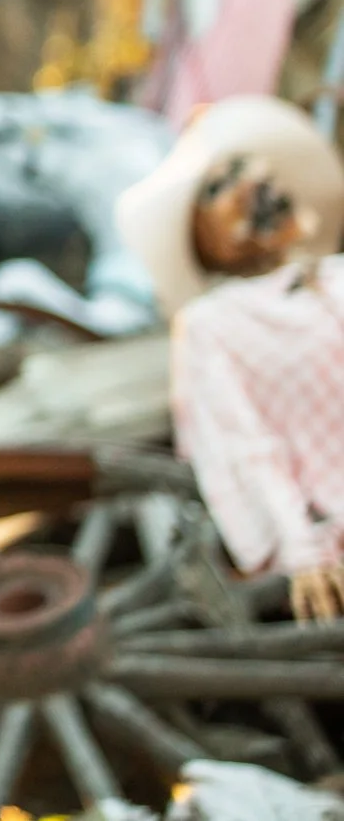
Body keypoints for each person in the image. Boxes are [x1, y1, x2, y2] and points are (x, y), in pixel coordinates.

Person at [119, 96, 344, 624]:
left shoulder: (335, 277)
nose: (248, 185)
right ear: (201, 242)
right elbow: (242, 444)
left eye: (243, 167)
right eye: (217, 188)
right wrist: (302, 549)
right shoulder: (213, 324)